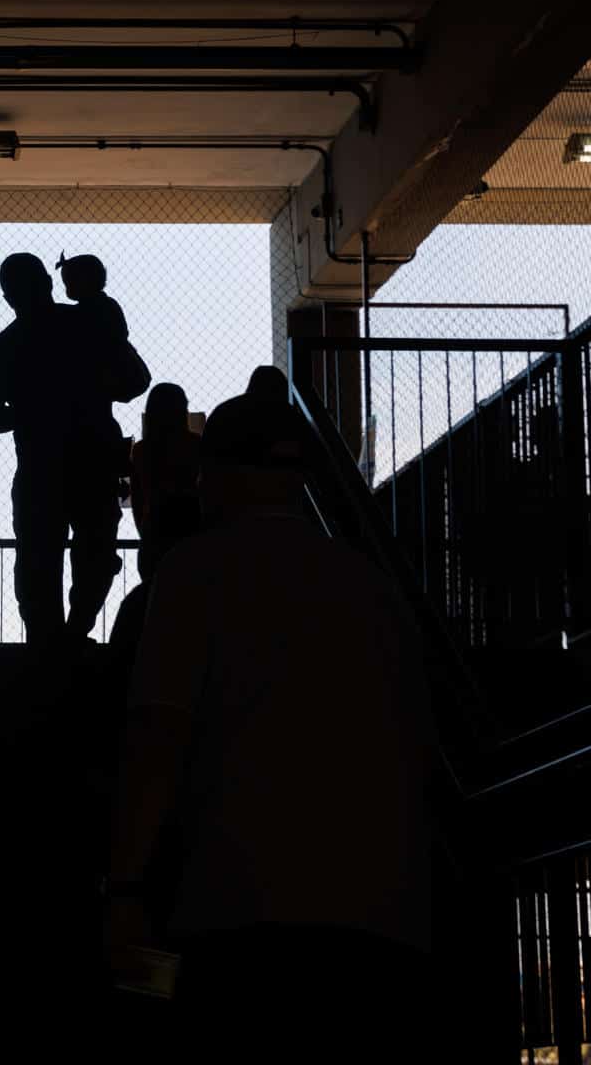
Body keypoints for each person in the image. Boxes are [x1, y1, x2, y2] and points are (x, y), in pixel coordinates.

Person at [103, 392, 439, 1061]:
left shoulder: (193, 576)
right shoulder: (375, 588)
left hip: (239, 912)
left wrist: (125, 887)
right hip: (386, 922)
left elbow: (158, 743)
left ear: (220, 474)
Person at [0, 253, 148, 644]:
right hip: (93, 462)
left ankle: (47, 640)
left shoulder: (3, 347)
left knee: (39, 560)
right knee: (96, 552)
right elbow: (136, 381)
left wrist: (33, 411)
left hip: (40, 470)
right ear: (49, 283)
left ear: (7, 297)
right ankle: (75, 632)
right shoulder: (88, 326)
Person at [128, 383, 200, 578]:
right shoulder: (196, 446)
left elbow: (137, 500)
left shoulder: (142, 451)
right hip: (190, 530)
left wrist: (146, 531)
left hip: (154, 533)